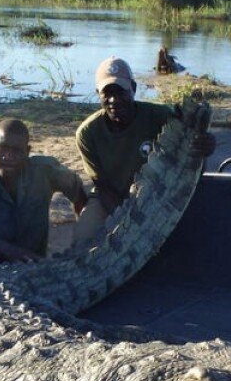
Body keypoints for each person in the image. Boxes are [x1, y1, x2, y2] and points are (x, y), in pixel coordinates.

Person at [72, 56, 216, 246]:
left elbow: (190, 152)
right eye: (107, 92)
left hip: (156, 195)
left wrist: (207, 145)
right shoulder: (87, 133)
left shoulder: (162, 116)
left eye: (120, 91)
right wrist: (129, 219)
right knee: (83, 240)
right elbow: (102, 184)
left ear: (133, 88)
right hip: (110, 197)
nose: (114, 99)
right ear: (98, 93)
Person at [0, 119, 87, 266]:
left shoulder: (45, 170)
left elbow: (79, 192)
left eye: (17, 150)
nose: (8, 156)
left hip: (35, 263)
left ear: (27, 151)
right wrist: (11, 252)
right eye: (3, 148)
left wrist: (82, 236)